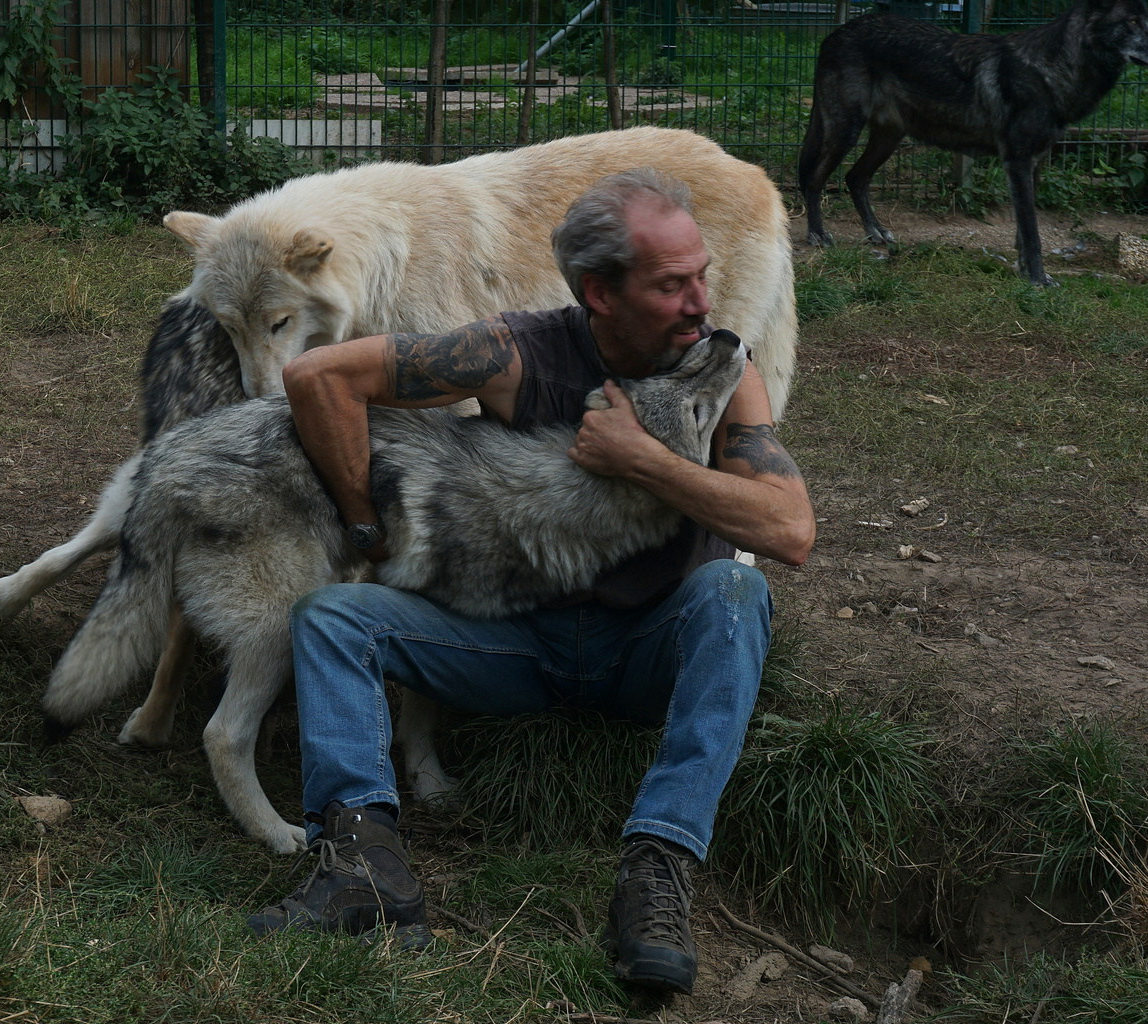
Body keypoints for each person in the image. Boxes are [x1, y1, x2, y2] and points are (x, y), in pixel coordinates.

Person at [247, 169, 815, 996]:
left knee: (736, 593)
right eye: (672, 284)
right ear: (600, 293)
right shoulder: (514, 353)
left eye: (701, 275)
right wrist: (364, 524)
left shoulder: (723, 371)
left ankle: (657, 869)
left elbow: (790, 530)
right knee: (334, 619)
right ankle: (364, 866)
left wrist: (643, 461)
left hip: (648, 648)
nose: (703, 301)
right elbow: (316, 378)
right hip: (514, 645)